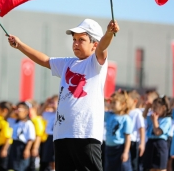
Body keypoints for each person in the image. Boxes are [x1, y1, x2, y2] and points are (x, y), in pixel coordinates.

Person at [8, 19, 119, 171]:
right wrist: (20, 45)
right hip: (62, 134)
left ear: (95, 44)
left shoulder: (96, 62)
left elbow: (103, 46)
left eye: (81, 40)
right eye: (74, 39)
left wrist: (109, 33)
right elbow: (45, 60)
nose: (75, 43)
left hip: (85, 134)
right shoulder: (68, 63)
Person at [104, 91, 133, 171]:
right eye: (111, 102)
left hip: (119, 148)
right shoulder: (109, 115)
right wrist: (105, 101)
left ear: (123, 104)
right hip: (109, 148)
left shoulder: (126, 119)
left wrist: (125, 152)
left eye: (114, 103)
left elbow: (128, 137)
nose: (112, 104)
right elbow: (101, 110)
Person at [142, 96, 172, 171]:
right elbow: (144, 116)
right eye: (153, 107)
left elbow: (158, 132)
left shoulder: (167, 119)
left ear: (163, 108)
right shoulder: (153, 117)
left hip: (160, 144)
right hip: (151, 143)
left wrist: (155, 121)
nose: (153, 109)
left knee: (160, 168)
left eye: (155, 107)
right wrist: (147, 107)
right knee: (151, 167)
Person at [8, 102, 35, 171]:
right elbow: (6, 118)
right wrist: (12, 110)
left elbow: (30, 138)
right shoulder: (15, 122)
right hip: (14, 145)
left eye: (19, 110)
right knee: (14, 166)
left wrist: (27, 149)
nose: (17, 112)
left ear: (26, 112)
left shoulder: (29, 124)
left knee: (22, 166)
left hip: (22, 146)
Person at [127, 90, 145, 171]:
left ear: (135, 101)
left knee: (134, 164)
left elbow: (141, 128)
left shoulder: (137, 112)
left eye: (127, 99)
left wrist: (142, 143)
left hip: (134, 142)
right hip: (126, 141)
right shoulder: (125, 112)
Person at [38, 96, 57, 171]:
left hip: (57, 136)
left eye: (53, 102)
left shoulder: (62, 112)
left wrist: (57, 104)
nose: (51, 104)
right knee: (48, 157)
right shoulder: (49, 114)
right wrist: (46, 104)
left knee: (55, 158)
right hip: (48, 137)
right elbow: (39, 113)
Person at [0, 101, 13, 171]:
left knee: (3, 166)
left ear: (4, 110)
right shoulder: (0, 120)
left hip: (3, 146)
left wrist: (4, 149)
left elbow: (8, 138)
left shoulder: (6, 123)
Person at [27, 99, 45, 171]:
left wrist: (35, 148)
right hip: (29, 145)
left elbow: (38, 135)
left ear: (34, 108)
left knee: (32, 165)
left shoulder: (37, 120)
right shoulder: (30, 119)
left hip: (34, 145)